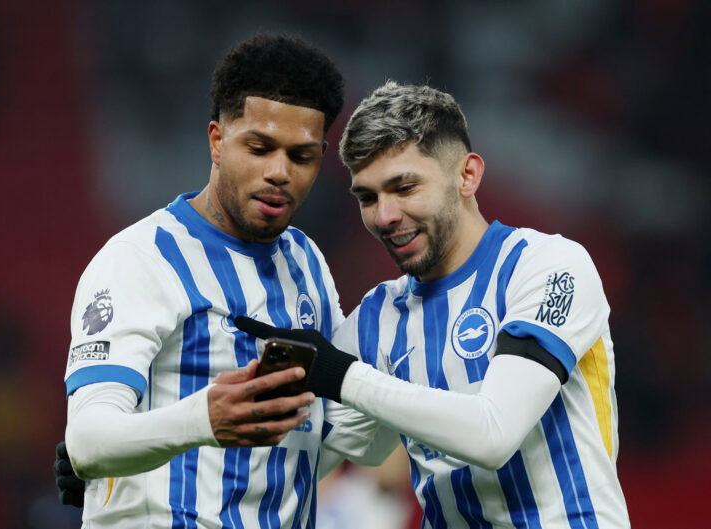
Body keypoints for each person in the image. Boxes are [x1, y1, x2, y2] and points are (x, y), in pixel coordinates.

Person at [235, 81, 631, 528]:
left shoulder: (549, 267)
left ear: (467, 175)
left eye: (404, 187)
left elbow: (493, 433)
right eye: (368, 197)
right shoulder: (377, 319)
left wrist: (343, 376)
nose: (384, 216)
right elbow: (311, 459)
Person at [61, 34, 393, 529]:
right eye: (259, 148)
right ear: (217, 140)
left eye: (301, 157)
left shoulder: (305, 262)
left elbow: (339, 438)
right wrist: (201, 421)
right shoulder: (140, 259)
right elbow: (86, 443)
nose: (279, 172)